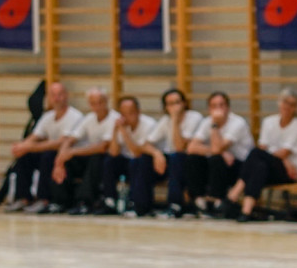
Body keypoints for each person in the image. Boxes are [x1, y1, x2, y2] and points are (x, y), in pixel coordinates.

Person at [224, 89, 297, 222]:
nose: (287, 107)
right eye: (285, 102)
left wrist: (283, 159)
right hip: (270, 168)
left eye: (292, 104)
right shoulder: (269, 122)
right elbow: (265, 148)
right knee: (259, 166)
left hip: (288, 172)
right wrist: (282, 157)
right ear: (279, 103)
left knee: (256, 154)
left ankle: (235, 192)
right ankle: (246, 210)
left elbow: (283, 152)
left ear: (296, 108)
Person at [4, 82, 83, 213]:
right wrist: (21, 147)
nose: (57, 98)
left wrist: (30, 147)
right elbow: (35, 136)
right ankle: (23, 198)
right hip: (51, 153)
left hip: (69, 157)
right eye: (53, 95)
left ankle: (44, 199)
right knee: (25, 156)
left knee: (47, 156)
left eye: (60, 95)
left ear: (66, 96)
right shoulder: (48, 116)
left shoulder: (75, 116)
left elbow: (61, 142)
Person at [185, 91, 255, 216]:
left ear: (228, 107)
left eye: (221, 105)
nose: (218, 109)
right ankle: (199, 202)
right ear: (209, 108)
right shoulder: (207, 121)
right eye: (214, 106)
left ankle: (217, 202)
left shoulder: (237, 123)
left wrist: (215, 125)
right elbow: (191, 147)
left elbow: (218, 148)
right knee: (193, 158)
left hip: (240, 167)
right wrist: (221, 153)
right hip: (221, 163)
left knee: (216, 159)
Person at [51, 88, 119, 215]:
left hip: (110, 160)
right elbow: (70, 139)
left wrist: (72, 152)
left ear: (107, 101)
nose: (97, 106)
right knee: (66, 160)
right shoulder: (89, 118)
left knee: (96, 158)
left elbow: (103, 147)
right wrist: (60, 159)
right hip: (90, 157)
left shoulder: (114, 118)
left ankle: (85, 202)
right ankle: (60, 201)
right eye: (93, 103)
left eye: (100, 102)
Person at [142, 89, 204, 219]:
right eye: (170, 104)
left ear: (184, 103)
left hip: (192, 163)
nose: (174, 107)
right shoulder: (165, 120)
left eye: (177, 102)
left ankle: (175, 204)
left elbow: (180, 147)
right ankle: (141, 205)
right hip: (173, 160)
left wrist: (175, 120)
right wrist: (156, 153)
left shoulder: (194, 117)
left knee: (176, 158)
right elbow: (145, 144)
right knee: (142, 160)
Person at [96, 96, 158, 217]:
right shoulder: (120, 125)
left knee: (137, 162)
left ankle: (138, 204)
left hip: (147, 164)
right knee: (109, 161)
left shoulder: (149, 124)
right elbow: (113, 152)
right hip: (128, 163)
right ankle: (110, 201)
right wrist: (115, 131)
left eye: (130, 113)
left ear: (138, 112)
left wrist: (124, 132)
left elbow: (137, 152)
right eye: (123, 114)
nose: (126, 117)